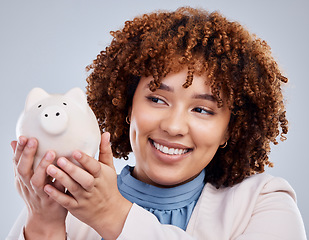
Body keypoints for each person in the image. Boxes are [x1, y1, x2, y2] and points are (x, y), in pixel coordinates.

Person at [8, 6, 307, 240]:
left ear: (230, 128)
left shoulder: (265, 202)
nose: (174, 126)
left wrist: (111, 214)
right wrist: (45, 224)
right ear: (127, 105)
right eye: (157, 100)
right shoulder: (61, 201)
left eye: (202, 110)